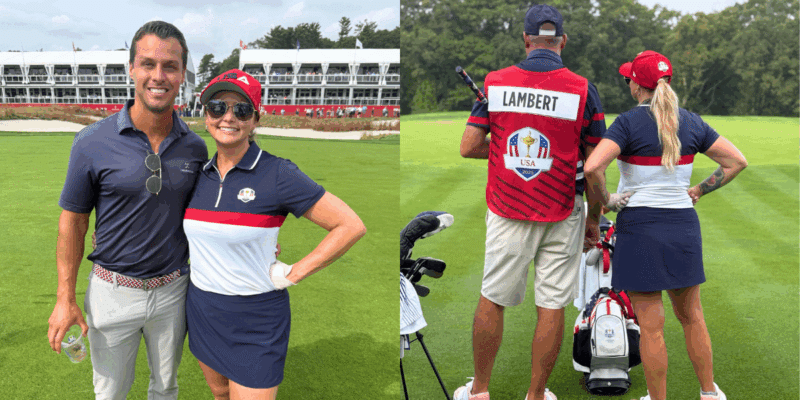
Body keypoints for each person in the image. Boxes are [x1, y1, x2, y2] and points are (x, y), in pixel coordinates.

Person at [456, 5, 622, 400]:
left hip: (508, 207)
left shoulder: (496, 83)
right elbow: (594, 164)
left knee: (493, 297)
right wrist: (594, 219)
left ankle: (479, 392)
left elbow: (469, 146)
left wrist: (509, 152)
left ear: (526, 39)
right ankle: (536, 395)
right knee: (552, 305)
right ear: (563, 40)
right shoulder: (583, 89)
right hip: (564, 210)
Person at [48, 21, 208, 399]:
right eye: (148, 64)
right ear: (132, 68)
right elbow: (73, 221)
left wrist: (255, 238)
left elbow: (205, 216)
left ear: (182, 75)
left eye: (170, 66)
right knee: (110, 394)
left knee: (165, 389)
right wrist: (64, 298)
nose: (159, 76)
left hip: (173, 291)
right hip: (112, 291)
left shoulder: (195, 148)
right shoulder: (91, 141)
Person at [184, 69, 367, 400]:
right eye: (217, 107)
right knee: (220, 393)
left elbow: (350, 225)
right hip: (202, 310)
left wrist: (294, 273)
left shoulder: (278, 172)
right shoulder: (197, 173)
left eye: (241, 110)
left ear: (256, 119)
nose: (228, 117)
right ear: (206, 114)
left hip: (256, 318)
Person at [584, 51, 745, 400]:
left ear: (636, 85)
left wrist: (608, 199)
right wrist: (699, 190)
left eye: (629, 78)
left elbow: (593, 168)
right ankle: (709, 393)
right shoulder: (691, 121)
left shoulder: (627, 122)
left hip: (639, 228)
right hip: (683, 227)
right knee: (692, 317)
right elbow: (736, 162)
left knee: (652, 328)